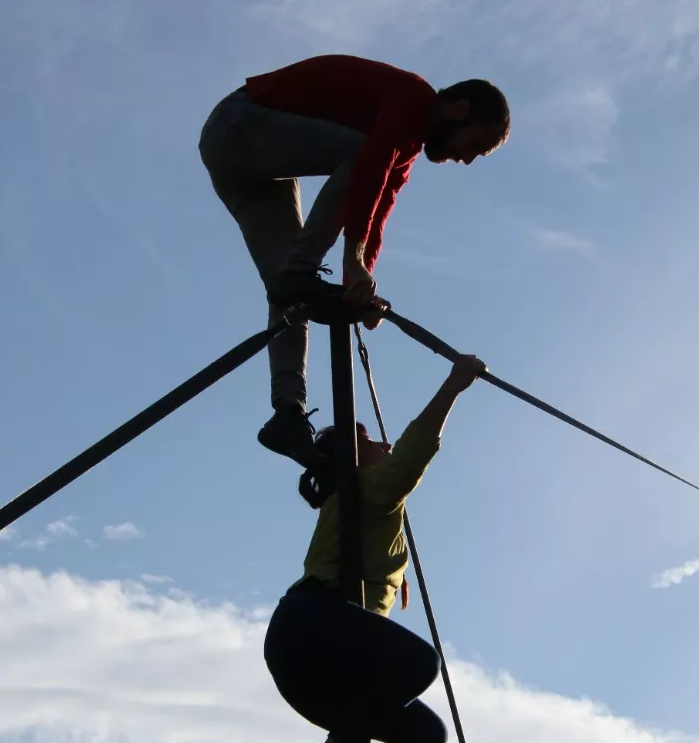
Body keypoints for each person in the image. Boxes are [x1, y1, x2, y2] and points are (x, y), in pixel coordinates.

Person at [198, 55, 509, 466]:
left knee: (289, 291)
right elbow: (367, 169)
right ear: (459, 109)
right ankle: (300, 269)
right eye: (474, 145)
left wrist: (358, 283)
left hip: (249, 165)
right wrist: (353, 263)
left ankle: (287, 412)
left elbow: (377, 207)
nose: (466, 159)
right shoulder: (412, 98)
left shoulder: (404, 150)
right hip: (239, 125)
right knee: (350, 177)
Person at [262, 353, 486, 743]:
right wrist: (454, 384)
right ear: (356, 458)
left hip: (325, 669)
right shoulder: (366, 488)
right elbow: (414, 451)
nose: (379, 441)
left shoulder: (365, 499)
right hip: (311, 628)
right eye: (366, 437)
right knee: (419, 664)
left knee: (425, 732)